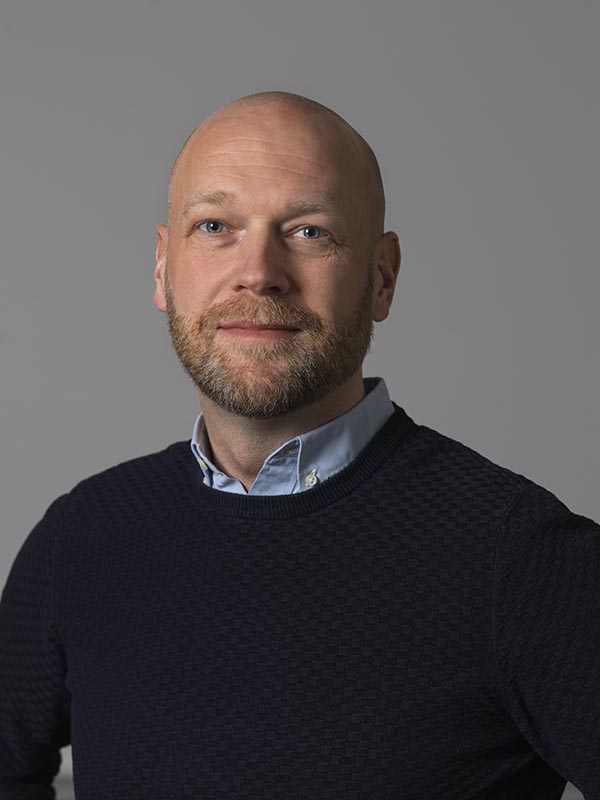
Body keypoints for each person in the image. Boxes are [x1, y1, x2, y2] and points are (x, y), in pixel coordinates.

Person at [0, 91, 598, 800]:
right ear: (163, 268)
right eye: (215, 226)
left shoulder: (523, 559)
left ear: (382, 277)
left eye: (310, 231)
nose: (259, 271)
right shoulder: (82, 538)